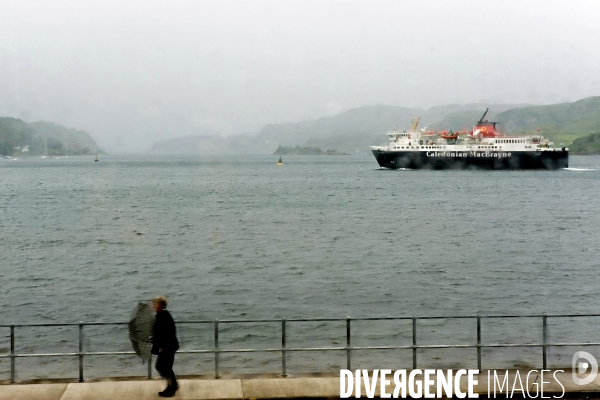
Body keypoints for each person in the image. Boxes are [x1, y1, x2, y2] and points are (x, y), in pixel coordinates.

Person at [152, 296, 180, 397]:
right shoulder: (163, 315)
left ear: (159, 305)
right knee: (166, 367)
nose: (153, 306)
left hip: (167, 347)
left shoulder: (162, 316)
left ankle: (171, 388)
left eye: (154, 304)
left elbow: (165, 333)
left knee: (162, 367)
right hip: (169, 346)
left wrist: (162, 347)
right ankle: (172, 386)